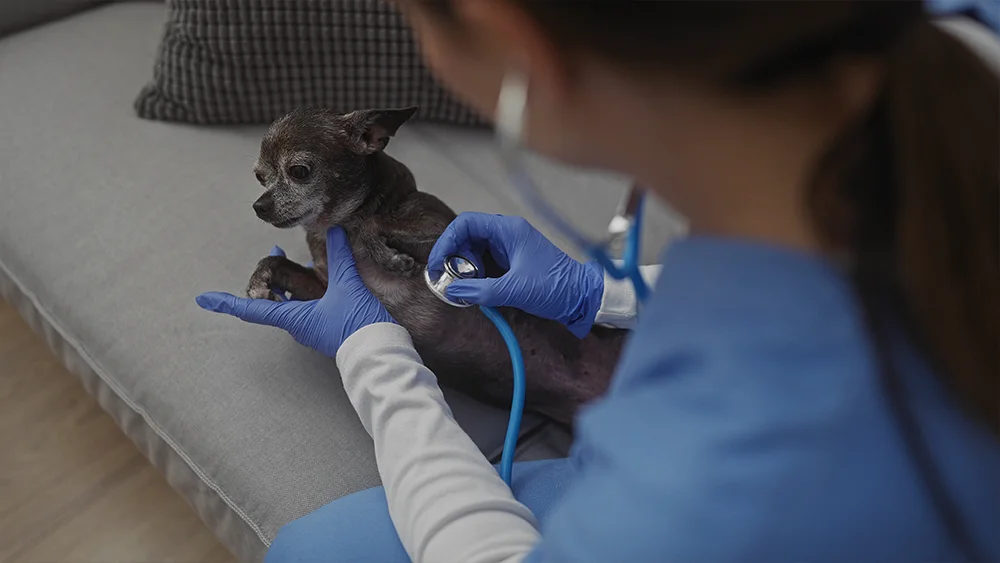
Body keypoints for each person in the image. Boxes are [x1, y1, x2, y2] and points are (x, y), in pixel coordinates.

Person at [196, 1, 999, 561]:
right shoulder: (958, 42)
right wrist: (600, 293)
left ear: (518, 48)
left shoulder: (721, 479)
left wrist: (372, 353)